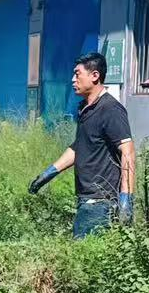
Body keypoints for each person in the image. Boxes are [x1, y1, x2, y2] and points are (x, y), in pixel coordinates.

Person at [28, 52, 135, 238]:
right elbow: (80, 146)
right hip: (85, 197)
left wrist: (126, 199)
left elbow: (128, 152)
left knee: (86, 252)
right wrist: (48, 173)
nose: (73, 79)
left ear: (95, 76)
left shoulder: (110, 109)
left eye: (77, 74)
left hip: (101, 201)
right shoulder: (84, 108)